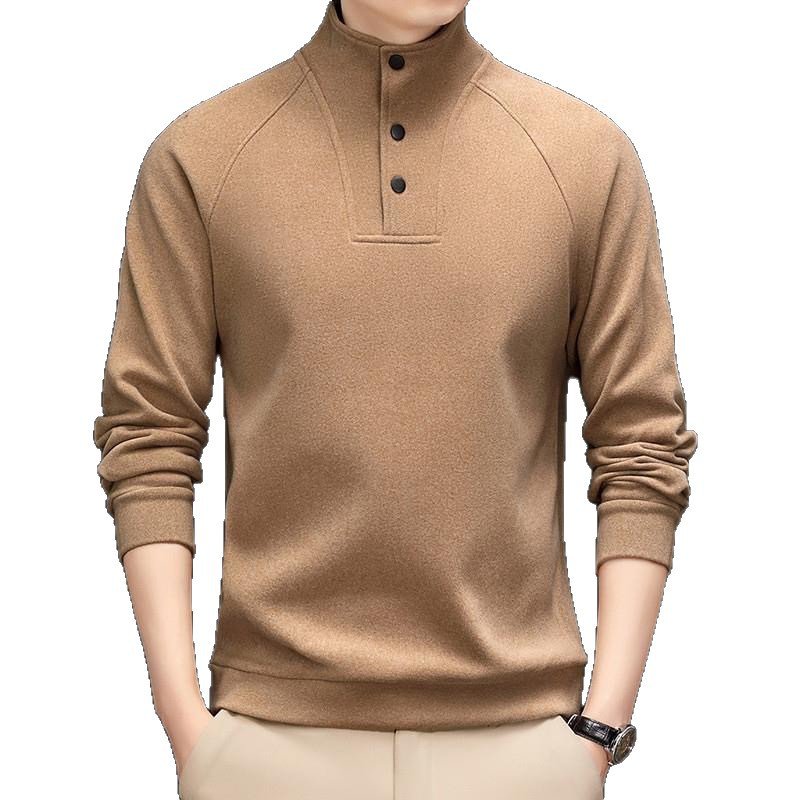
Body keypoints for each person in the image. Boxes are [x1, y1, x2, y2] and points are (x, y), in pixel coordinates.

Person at [92, 1, 698, 797]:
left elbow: (641, 440)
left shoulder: (584, 155)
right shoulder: (202, 156)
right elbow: (149, 434)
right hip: (270, 749)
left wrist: (598, 731)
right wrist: (189, 730)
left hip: (522, 750)